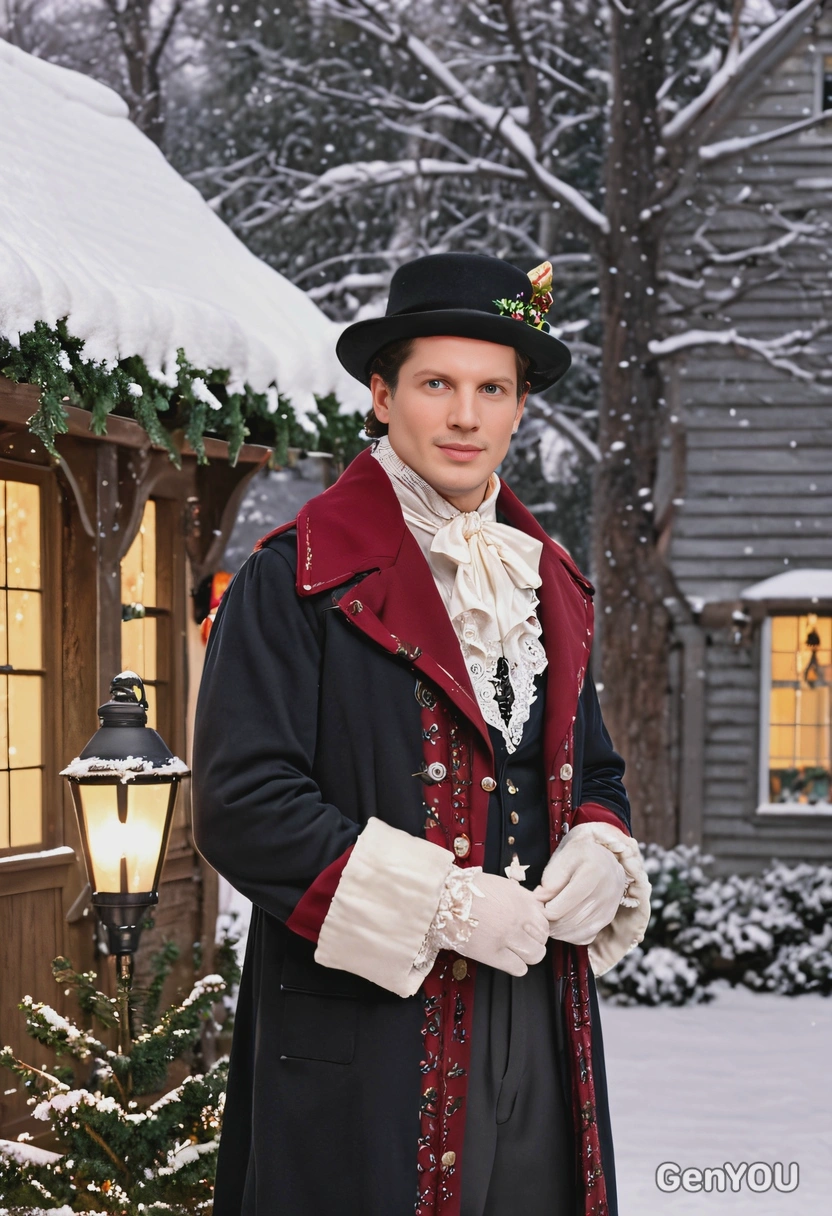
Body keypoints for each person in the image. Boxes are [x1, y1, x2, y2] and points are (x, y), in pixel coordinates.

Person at [192, 251, 652, 1216]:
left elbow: (591, 766)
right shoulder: (295, 577)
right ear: (381, 394)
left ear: (521, 408)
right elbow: (244, 807)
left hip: (542, 1012)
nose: (464, 416)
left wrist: (602, 844)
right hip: (370, 1037)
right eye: (436, 383)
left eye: (493, 388)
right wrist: (444, 906)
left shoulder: (551, 585)